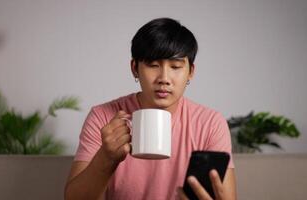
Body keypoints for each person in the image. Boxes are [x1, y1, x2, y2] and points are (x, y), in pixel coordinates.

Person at [65, 17, 237, 200]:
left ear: (191, 72)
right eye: (153, 65)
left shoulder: (210, 123)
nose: (164, 78)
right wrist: (106, 158)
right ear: (134, 68)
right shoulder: (103, 117)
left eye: (176, 66)